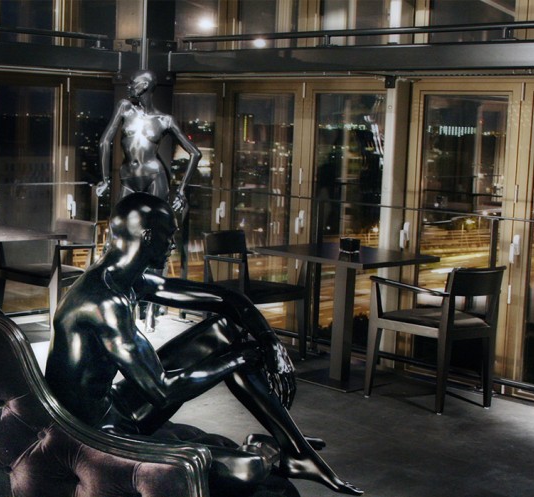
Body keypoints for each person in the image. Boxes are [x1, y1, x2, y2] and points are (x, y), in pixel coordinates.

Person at [45, 192, 362, 496]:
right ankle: (261, 450)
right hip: (96, 436)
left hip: (116, 406)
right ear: (148, 236)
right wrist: (238, 359)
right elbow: (162, 391)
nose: (174, 244)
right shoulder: (102, 301)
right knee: (247, 470)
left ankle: (296, 451)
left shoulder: (129, 281)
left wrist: (270, 342)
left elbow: (224, 300)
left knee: (223, 330)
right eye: (170, 235)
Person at [96, 70, 201, 214]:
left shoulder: (165, 120)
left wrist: (181, 190)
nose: (128, 86)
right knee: (119, 220)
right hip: (128, 177)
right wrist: (104, 179)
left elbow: (195, 153)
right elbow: (105, 141)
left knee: (155, 222)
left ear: (144, 85)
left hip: (154, 177)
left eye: (132, 83)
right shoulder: (124, 107)